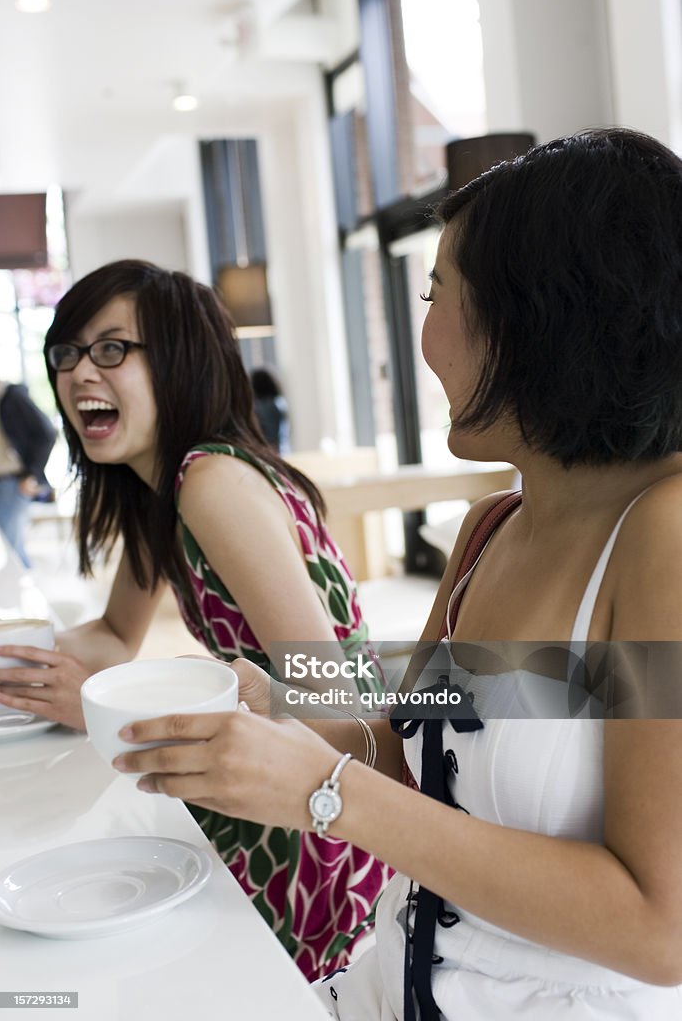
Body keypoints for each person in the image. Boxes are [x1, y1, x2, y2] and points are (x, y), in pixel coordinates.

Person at [101, 129, 682, 1019]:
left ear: (546, 315)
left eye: (436, 294)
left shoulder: (662, 535)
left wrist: (325, 794)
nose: (424, 337)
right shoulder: (493, 527)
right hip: (393, 986)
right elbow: (428, 749)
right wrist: (285, 708)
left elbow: (658, 930)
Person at [0, 259, 390, 982]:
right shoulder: (164, 491)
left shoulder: (211, 482)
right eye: (67, 352)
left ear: (180, 361)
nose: (81, 373)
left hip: (313, 808)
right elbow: (114, 635)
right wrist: (23, 657)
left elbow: (332, 693)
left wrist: (115, 702)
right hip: (268, 779)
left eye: (112, 348)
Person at [0, 380, 57, 567]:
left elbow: (47, 434)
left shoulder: (12, 397)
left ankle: (24, 590)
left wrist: (31, 474)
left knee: (11, 545)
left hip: (13, 482)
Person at [250, 366, 290, 453]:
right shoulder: (278, 403)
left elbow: (268, 433)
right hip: (281, 449)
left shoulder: (261, 407)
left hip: (268, 450)